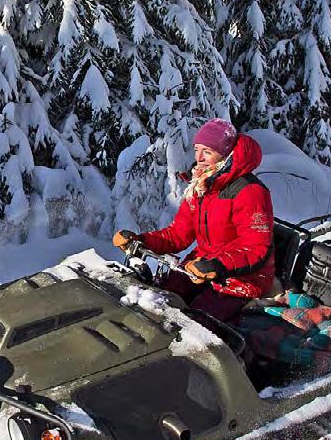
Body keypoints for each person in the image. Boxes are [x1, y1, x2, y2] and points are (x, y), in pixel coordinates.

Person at [113, 119, 275, 324]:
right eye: (197, 149)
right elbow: (178, 235)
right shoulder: (202, 185)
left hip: (241, 280)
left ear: (225, 153)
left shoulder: (250, 191)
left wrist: (218, 265)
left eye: (207, 151)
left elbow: (256, 248)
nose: (198, 158)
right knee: (154, 300)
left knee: (192, 323)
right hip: (201, 266)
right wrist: (140, 241)